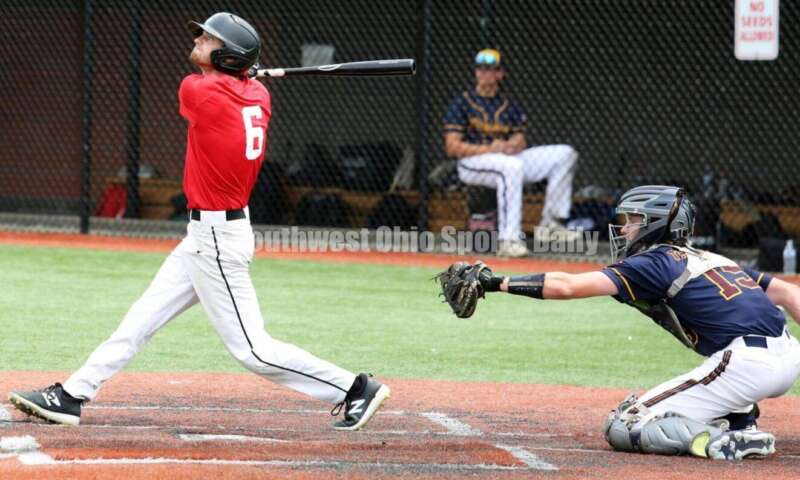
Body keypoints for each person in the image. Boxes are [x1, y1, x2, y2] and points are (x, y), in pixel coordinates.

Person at [7, 12, 389, 431]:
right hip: (207, 234)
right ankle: (72, 395)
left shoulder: (199, 92)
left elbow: (208, 87)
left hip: (218, 240)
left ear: (228, 56)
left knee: (252, 351)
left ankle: (355, 388)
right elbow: (244, 86)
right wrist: (239, 75)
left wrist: (232, 76)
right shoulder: (258, 94)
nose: (199, 40)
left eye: (209, 39)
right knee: (140, 319)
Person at [439, 185, 800, 460]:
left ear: (656, 224)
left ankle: (723, 440)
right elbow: (786, 292)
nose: (625, 229)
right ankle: (741, 421)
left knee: (625, 424)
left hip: (746, 365)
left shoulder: (654, 261)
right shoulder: (712, 257)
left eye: (633, 221)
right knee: (715, 369)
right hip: (786, 354)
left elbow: (567, 286)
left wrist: (495, 283)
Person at [443, 48, 579, 258]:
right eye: (481, 68)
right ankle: (509, 239)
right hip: (472, 163)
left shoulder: (509, 105)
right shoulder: (461, 104)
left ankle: (550, 223)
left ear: (500, 74)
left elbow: (520, 139)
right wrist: (491, 148)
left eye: (491, 69)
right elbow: (452, 146)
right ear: (476, 72)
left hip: (507, 158)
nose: (485, 73)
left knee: (565, 154)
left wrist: (512, 145)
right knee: (511, 167)